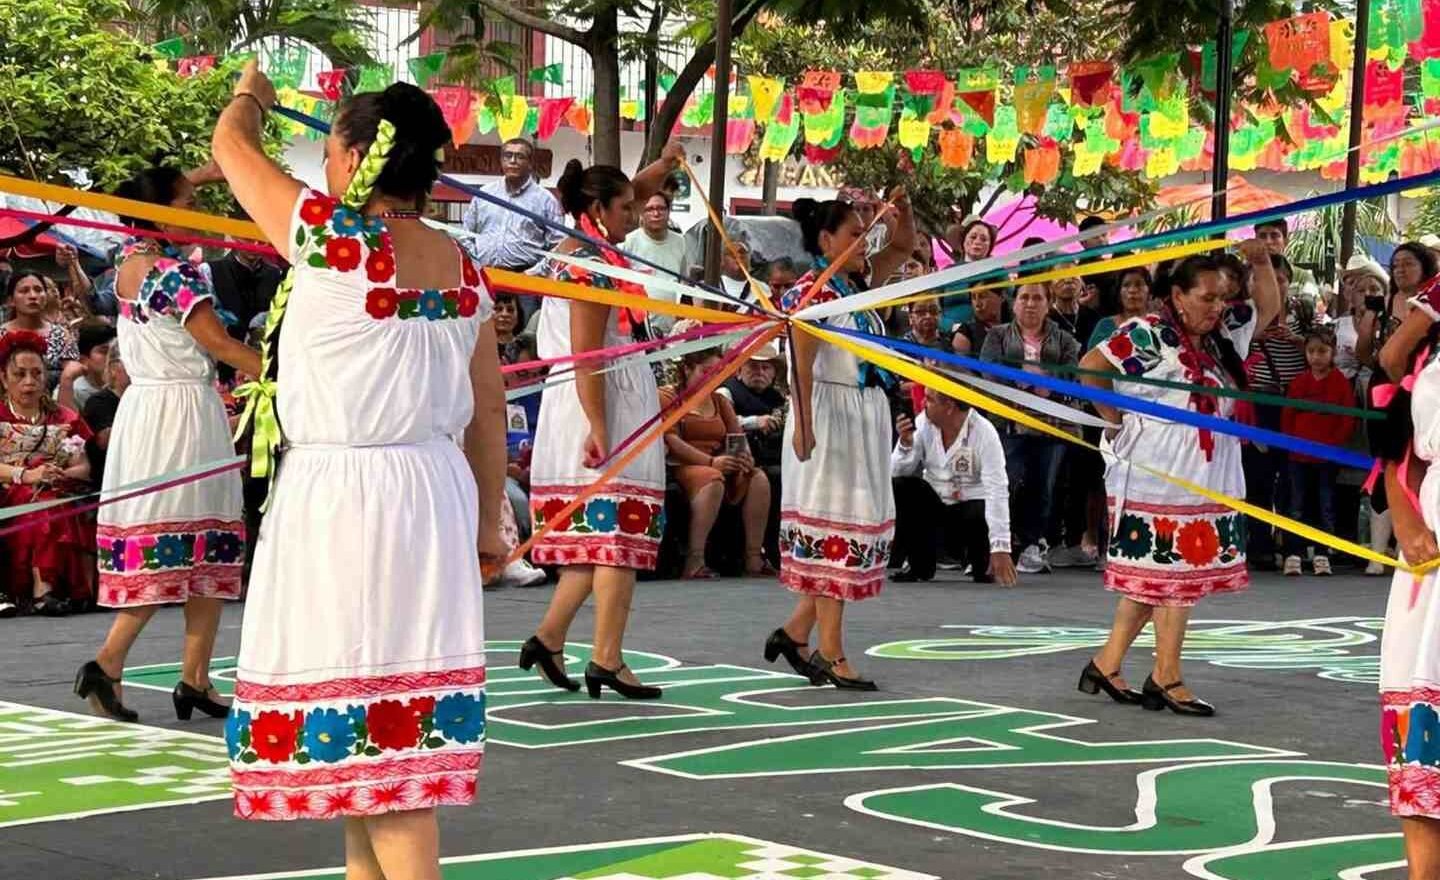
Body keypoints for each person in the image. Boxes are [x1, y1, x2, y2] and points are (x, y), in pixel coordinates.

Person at [212, 67, 506, 875]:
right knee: (371, 757)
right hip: (434, 496)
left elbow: (230, 146)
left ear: (350, 154)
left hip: (347, 503)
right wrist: (488, 522)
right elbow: (488, 407)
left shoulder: (332, 241)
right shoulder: (462, 267)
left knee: (385, 753)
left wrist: (252, 94)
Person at [74, 162, 260, 726]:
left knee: (205, 546)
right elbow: (220, 344)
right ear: (165, 211)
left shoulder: (126, 262)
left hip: (158, 411)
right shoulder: (173, 276)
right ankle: (106, 663)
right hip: (180, 416)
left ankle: (195, 678)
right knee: (175, 548)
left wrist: (213, 169)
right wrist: (281, 373)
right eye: (189, 202)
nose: (199, 211)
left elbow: (170, 192)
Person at [1076, 244, 1280, 716]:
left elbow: (1268, 308)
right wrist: (1115, 418)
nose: (1217, 307)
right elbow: (1091, 368)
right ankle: (1166, 675)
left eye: (1222, 298)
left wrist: (1263, 263)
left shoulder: (1221, 338)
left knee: (1153, 580)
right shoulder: (1150, 334)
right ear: (1178, 296)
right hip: (1159, 473)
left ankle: (1105, 664)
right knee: (1174, 575)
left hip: (1206, 472)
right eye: (1207, 297)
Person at [524, 149, 682, 702]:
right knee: (616, 535)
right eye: (625, 208)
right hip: (600, 399)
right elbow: (588, 354)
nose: (635, 215)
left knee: (599, 539)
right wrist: (599, 427)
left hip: (607, 394)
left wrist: (664, 162)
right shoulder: (587, 263)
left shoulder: (590, 245)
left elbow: (634, 188)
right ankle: (607, 658)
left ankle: (549, 637)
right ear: (598, 208)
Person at [765, 191, 914, 692]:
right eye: (854, 234)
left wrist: (902, 210)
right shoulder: (813, 293)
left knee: (849, 532)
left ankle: (795, 632)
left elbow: (903, 246)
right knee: (836, 533)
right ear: (826, 240)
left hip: (862, 416)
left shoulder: (858, 286)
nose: (865, 244)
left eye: (864, 235)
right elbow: (801, 368)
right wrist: (804, 427)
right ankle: (831, 652)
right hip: (828, 417)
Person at [1372, 273, 1440, 878]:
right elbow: (1387, 382)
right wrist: (1403, 516)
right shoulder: (1432, 340)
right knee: (1425, 711)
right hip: (1432, 546)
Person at [980, 282, 1081, 574]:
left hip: (1053, 423)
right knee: (1006, 482)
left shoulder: (1064, 339)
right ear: (1014, 304)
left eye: (1037, 298)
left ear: (1047, 304)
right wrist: (1019, 396)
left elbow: (1071, 374)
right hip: (1009, 422)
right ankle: (998, 545)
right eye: (1024, 297)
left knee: (1044, 486)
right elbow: (990, 373)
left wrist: (1046, 389)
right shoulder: (997, 336)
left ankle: (1033, 545)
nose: (1030, 303)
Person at [0, 332, 95, 618]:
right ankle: (43, 588)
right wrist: (26, 474)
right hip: (10, 491)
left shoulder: (64, 417)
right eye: (19, 374)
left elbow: (84, 466)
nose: (29, 382)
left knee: (52, 501)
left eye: (36, 374)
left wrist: (60, 472)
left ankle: (48, 588)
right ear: (4, 379)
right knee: (38, 505)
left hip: (56, 488)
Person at [661, 348, 773, 579]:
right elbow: (671, 440)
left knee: (758, 477)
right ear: (687, 369)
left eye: (717, 371)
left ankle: (754, 557)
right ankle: (694, 560)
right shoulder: (668, 396)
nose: (713, 376)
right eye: (705, 371)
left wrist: (744, 458)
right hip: (682, 464)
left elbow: (736, 436)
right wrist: (711, 462)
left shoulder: (719, 401)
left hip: (719, 461)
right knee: (712, 480)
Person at [890, 388, 1016, 585]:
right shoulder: (923, 422)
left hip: (972, 512)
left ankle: (980, 561)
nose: (923, 403)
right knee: (902, 486)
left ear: (949, 406)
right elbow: (897, 472)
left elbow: (997, 489)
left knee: (980, 508)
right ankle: (919, 564)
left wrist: (1000, 547)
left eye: (930, 399)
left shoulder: (985, 432)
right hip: (936, 508)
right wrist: (905, 444)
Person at [1243, 254, 1309, 569]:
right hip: (1257, 403)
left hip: (1295, 406)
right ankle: (1259, 545)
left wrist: (1299, 342)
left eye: (1280, 279)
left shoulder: (1304, 313)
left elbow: (1323, 353)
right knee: (1258, 476)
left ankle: (1292, 547)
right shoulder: (1244, 317)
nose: (1273, 284)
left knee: (1292, 478)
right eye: (1264, 278)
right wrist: (1254, 336)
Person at [1280, 329, 1356, 576]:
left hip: (1327, 456)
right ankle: (1294, 552)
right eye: (1311, 351)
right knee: (1296, 505)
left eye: (1322, 351)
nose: (1316, 357)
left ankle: (1322, 553)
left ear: (1332, 351)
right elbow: (1288, 416)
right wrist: (1291, 443)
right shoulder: (1299, 382)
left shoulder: (1340, 383)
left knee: (1325, 505)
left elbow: (1347, 419)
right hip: (1298, 455)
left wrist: (1334, 445)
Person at [461, 137, 566, 273]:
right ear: (501, 160)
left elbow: (558, 246)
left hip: (526, 280)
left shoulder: (546, 200)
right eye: (508, 156)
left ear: (530, 163)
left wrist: (533, 273)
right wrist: (475, 264)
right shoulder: (484, 194)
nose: (512, 161)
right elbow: (465, 234)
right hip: (484, 275)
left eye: (520, 156)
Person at [622, 191, 689, 335]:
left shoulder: (680, 242)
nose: (656, 213)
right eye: (649, 209)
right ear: (641, 213)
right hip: (638, 329)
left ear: (669, 211)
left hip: (670, 328)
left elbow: (684, 282)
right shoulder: (628, 242)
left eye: (661, 208)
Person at [2, 271, 79, 388]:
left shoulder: (62, 335)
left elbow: (72, 374)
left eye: (38, 290)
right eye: (24, 291)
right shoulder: (1, 334)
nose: (33, 296)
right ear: (11, 301)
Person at [207, 241, 283, 344]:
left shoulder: (276, 274)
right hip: (223, 351)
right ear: (235, 237)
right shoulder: (210, 270)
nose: (254, 245)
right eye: (248, 239)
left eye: (260, 241)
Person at [82, 342, 129, 491]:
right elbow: (105, 441)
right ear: (114, 368)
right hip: (108, 480)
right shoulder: (98, 402)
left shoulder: (147, 403)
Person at [940, 219, 997, 334]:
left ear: (990, 245)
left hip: (987, 335)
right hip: (949, 336)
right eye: (973, 237)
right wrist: (951, 327)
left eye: (984, 239)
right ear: (964, 240)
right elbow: (934, 307)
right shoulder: (947, 272)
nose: (977, 242)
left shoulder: (997, 271)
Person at [56, 321, 114, 413]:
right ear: (83, 360)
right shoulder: (71, 390)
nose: (112, 357)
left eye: (115, 351)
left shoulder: (125, 385)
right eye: (104, 352)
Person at [1088, 268, 1153, 350]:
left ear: (1149, 292)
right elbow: (1091, 361)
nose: (1132, 290)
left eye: (1138, 284)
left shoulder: (1158, 325)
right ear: (1118, 294)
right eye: (1126, 285)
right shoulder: (1105, 326)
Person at [1049, 272, 1101, 346]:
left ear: (1081, 283)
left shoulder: (1094, 317)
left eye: (1074, 274)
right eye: (1060, 275)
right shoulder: (1043, 320)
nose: (1068, 280)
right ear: (1051, 285)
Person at [951, 285, 1005, 355]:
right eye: (973, 298)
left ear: (1001, 297)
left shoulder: (1014, 327)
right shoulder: (965, 334)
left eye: (982, 296)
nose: (977, 304)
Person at [493, 292, 523, 363]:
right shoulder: (479, 346)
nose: (504, 314)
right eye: (499, 309)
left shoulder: (525, 348)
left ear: (518, 316)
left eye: (510, 310)